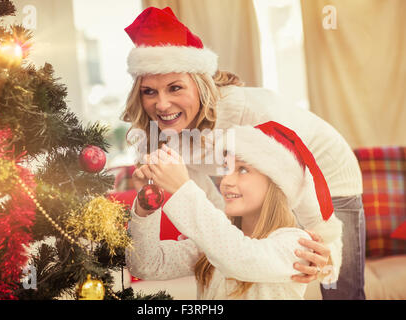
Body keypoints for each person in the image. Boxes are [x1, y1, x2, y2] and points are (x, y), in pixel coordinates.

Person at [122, 6, 365, 299]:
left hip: (326, 176)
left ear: (200, 87)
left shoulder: (250, 112)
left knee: (337, 286)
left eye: (175, 88)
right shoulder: (170, 137)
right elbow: (214, 221)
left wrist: (321, 245)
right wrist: (150, 207)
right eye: (150, 91)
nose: (161, 105)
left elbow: (292, 173)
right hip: (267, 195)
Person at [126, 122, 343, 299]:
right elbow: (146, 265)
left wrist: (184, 188)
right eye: (225, 169)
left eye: (242, 169)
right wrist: (147, 205)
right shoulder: (214, 242)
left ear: (276, 182)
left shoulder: (296, 244)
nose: (226, 181)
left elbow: (240, 257)